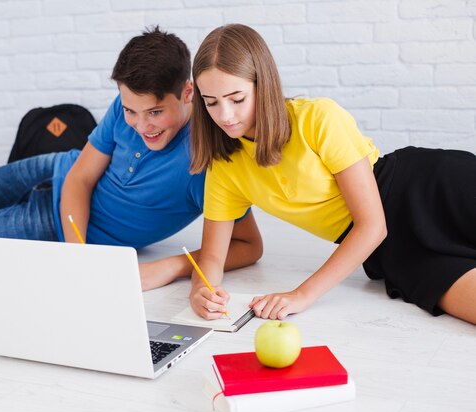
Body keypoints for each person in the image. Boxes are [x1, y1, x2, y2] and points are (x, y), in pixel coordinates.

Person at [0, 26, 263, 292]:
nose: (140, 125)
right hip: (52, 172)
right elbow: (80, 178)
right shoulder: (127, 109)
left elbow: (250, 246)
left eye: (154, 112)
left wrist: (174, 266)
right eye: (130, 111)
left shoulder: (211, 163)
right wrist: (78, 255)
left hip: (48, 224)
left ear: (187, 93)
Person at [187, 23, 476, 324]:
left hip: (429, 191)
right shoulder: (224, 168)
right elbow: (212, 258)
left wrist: (301, 294)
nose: (225, 115)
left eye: (237, 99)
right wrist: (200, 290)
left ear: (264, 85)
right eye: (211, 103)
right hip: (391, 253)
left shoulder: (317, 117)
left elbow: (373, 225)